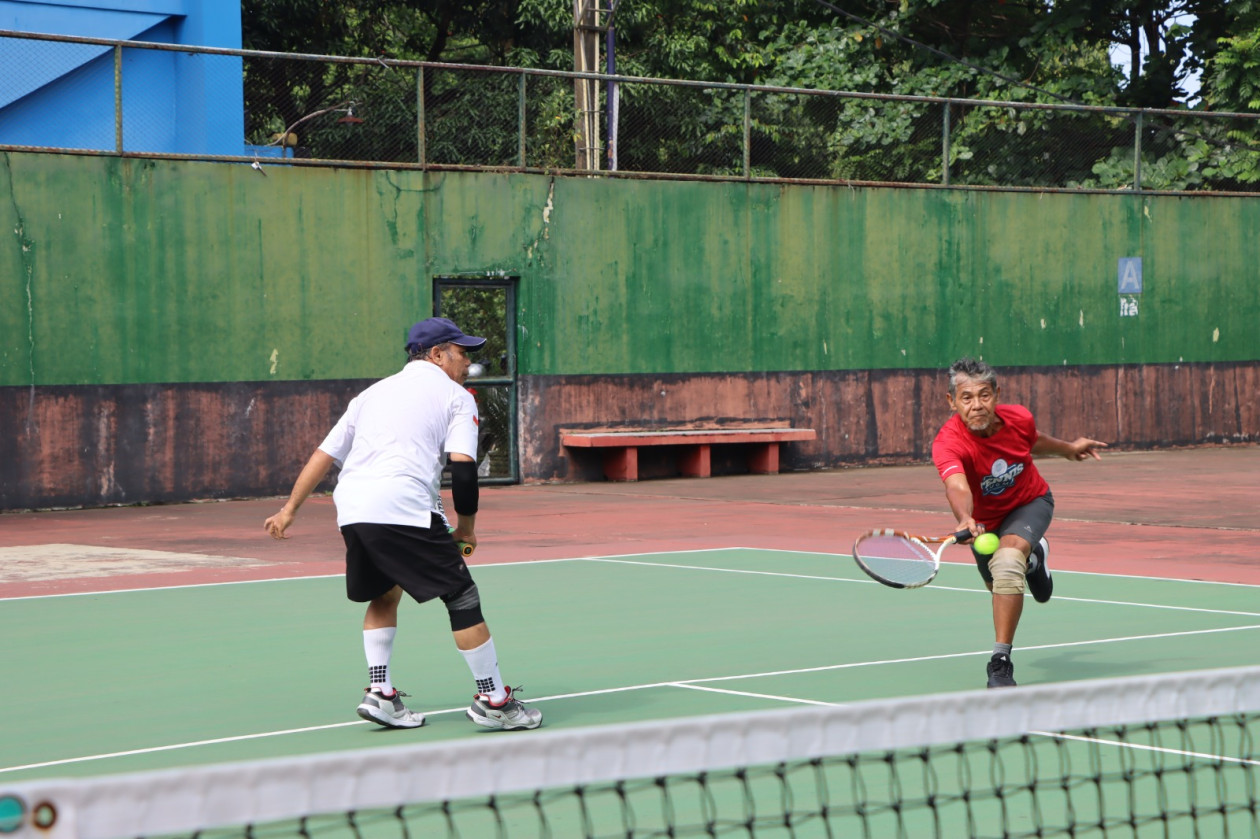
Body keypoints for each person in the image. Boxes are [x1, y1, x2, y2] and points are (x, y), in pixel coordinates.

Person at [263, 316, 542, 731]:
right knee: (462, 598)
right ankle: (495, 700)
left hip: (354, 508)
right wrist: (466, 528)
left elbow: (325, 455)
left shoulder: (370, 394)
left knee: (385, 592)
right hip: (402, 507)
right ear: (436, 354)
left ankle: (381, 693)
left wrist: (290, 509)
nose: (468, 363)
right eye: (462, 353)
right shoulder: (456, 396)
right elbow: (463, 470)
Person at [931, 357, 1106, 689]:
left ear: (997, 394)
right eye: (966, 398)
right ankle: (1035, 558)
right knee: (1000, 584)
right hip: (984, 522)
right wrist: (966, 518)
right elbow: (956, 485)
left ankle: (1000, 662)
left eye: (984, 395)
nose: (977, 405)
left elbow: (1032, 440)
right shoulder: (948, 443)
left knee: (1009, 562)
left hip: (1030, 502)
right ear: (952, 402)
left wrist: (1069, 449)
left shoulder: (1019, 417)